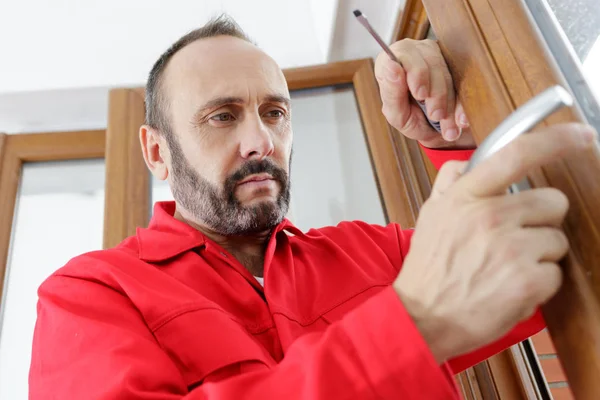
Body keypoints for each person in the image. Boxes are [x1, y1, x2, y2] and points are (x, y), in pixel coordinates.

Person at [29, 15, 596, 399]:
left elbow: (566, 262)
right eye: (222, 116)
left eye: (274, 113)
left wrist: (453, 130)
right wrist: (413, 323)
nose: (261, 141)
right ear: (157, 151)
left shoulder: (374, 251)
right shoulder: (90, 295)